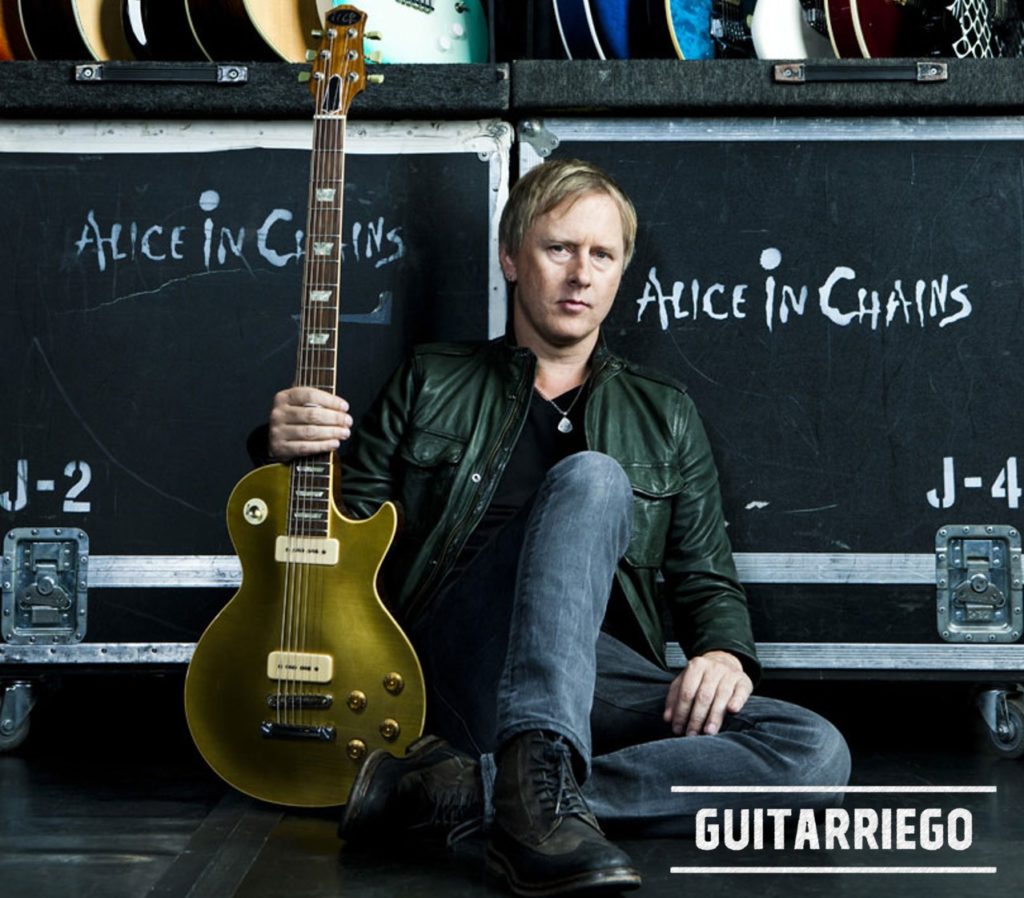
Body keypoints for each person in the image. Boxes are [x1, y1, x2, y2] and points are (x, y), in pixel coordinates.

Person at [264, 159, 850, 895]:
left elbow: (705, 577)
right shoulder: (432, 379)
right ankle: (531, 792)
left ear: (620, 273)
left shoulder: (664, 414)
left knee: (813, 753)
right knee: (594, 478)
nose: (581, 274)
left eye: (602, 255)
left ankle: (467, 793)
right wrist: (289, 452)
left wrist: (724, 654)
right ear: (512, 257)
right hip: (454, 660)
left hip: (588, 675)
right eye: (559, 248)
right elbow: (344, 543)